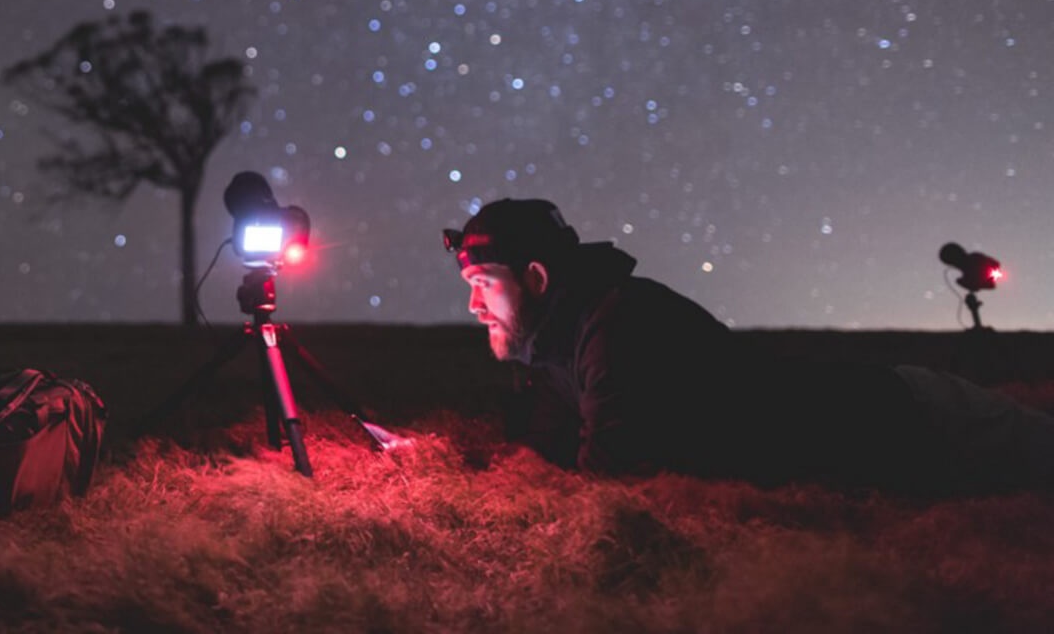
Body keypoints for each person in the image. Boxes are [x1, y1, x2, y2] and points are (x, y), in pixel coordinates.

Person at [443, 197, 1054, 494]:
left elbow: (610, 481)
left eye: (483, 284)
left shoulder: (621, 325)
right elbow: (548, 453)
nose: (473, 306)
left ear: (538, 279)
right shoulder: (558, 350)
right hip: (897, 445)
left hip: (914, 418)